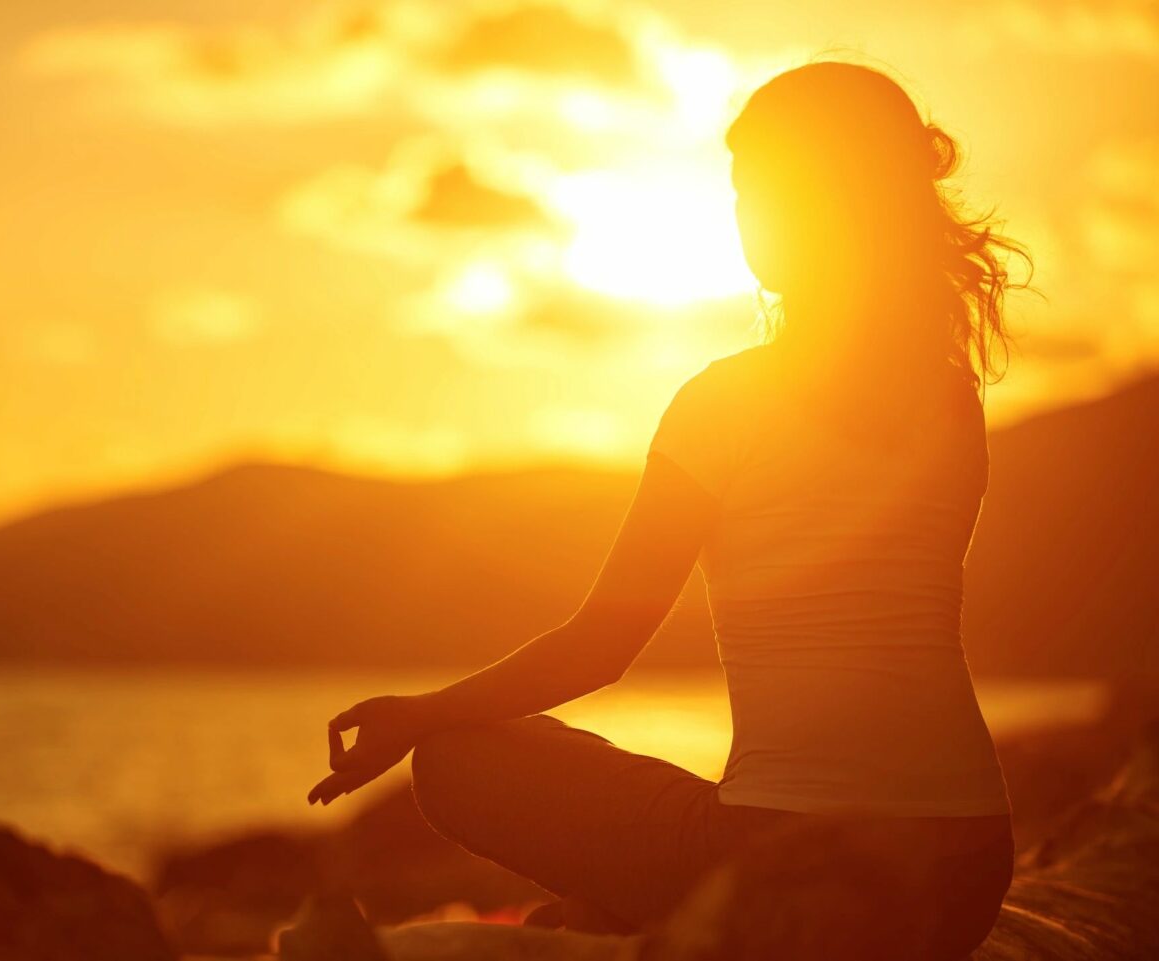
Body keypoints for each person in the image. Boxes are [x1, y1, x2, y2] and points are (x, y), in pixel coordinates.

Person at [308, 60, 1031, 959]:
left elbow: (603, 644)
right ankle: (629, 911)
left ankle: (629, 915)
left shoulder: (724, 403)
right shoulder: (950, 397)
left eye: (759, 186)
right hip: (966, 864)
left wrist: (421, 715)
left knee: (459, 762)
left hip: (788, 861)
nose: (742, 211)